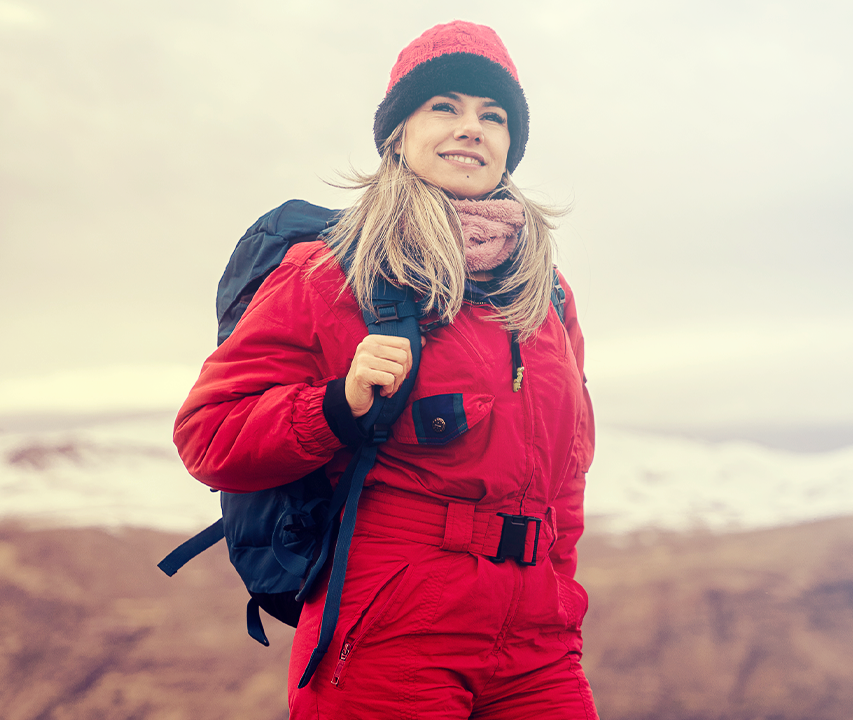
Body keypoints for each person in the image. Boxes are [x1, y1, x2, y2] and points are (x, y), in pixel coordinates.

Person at [174, 20, 597, 719]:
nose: (472, 128)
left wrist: (560, 599)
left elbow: (566, 477)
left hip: (537, 645)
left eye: (492, 117)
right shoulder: (333, 270)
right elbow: (208, 434)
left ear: (509, 147)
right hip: (390, 634)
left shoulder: (543, 292)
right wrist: (334, 406)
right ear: (398, 134)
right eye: (446, 107)